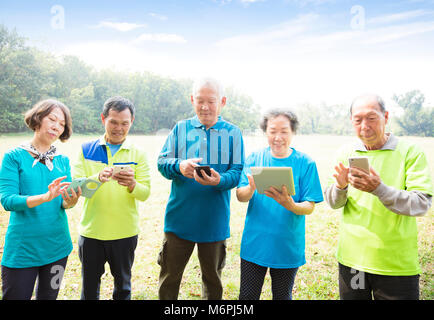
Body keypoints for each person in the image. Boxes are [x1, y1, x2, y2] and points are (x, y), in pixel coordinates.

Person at [324, 94, 433, 300]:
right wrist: (340, 186)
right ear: (351, 122)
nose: (364, 125)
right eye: (358, 119)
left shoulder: (410, 152)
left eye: (371, 117)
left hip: (396, 266)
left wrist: (379, 189)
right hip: (353, 262)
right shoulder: (346, 152)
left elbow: (421, 204)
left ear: (386, 116)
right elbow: (333, 202)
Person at [157, 77, 244, 300]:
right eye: (199, 100)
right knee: (169, 279)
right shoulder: (180, 128)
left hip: (214, 222)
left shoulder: (233, 133)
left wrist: (219, 181)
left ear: (222, 101)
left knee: (213, 282)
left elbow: (237, 173)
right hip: (179, 221)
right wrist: (179, 166)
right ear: (192, 100)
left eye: (211, 101)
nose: (205, 106)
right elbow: (162, 163)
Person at [236, 109, 324, 300]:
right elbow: (240, 196)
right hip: (255, 245)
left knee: (282, 296)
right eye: (272, 131)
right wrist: (251, 188)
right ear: (265, 132)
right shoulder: (254, 159)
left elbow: (309, 206)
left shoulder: (306, 163)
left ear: (293, 132)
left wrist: (290, 204)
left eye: (284, 131)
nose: (278, 137)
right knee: (247, 297)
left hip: (287, 246)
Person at [0, 99, 80, 300]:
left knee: (49, 297)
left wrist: (72, 200)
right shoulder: (13, 157)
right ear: (37, 118)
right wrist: (44, 197)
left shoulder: (63, 160)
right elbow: (8, 201)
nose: (56, 126)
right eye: (52, 119)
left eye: (62, 124)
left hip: (58, 248)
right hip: (23, 250)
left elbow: (63, 203)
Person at [73, 96, 151, 300]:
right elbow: (78, 190)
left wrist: (133, 185)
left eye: (125, 123)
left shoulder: (139, 154)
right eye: (113, 122)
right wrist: (97, 178)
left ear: (131, 122)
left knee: (123, 288)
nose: (119, 128)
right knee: (89, 289)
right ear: (103, 119)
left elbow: (145, 193)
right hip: (92, 233)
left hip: (125, 232)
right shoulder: (85, 149)